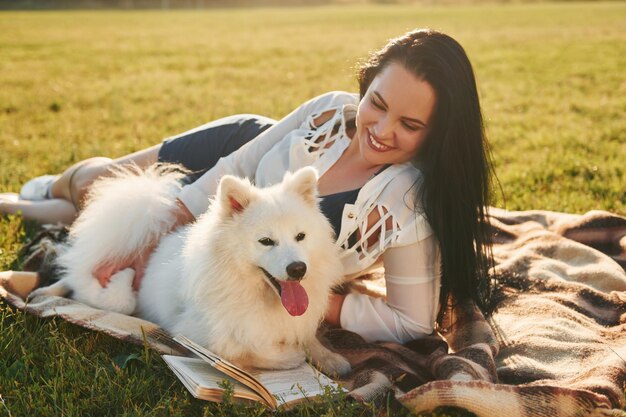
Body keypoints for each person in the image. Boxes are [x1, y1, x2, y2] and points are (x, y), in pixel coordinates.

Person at [0, 28, 495, 344]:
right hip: (234, 157)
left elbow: (410, 323)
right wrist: (156, 231)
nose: (382, 130)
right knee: (97, 183)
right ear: (366, 87)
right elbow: (246, 156)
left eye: (409, 124)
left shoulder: (405, 206)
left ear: (438, 134)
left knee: (99, 210)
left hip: (241, 227)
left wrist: (314, 300)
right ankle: (50, 189)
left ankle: (27, 205)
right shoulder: (329, 109)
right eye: (378, 103)